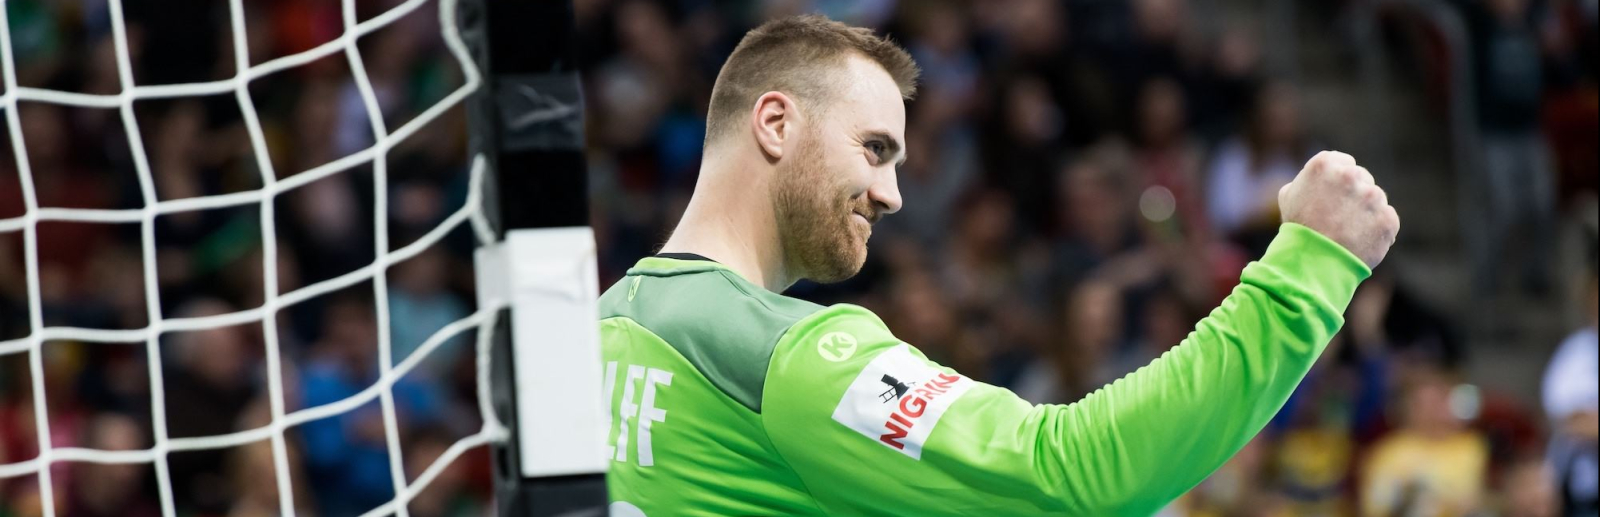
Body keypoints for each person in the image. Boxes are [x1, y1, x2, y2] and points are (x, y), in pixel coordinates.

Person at [597, 15, 1399, 515]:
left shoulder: (593, 333)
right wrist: (1306, 271)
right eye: (875, 149)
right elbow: (1076, 474)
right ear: (775, 121)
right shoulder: (784, 356)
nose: (892, 194)